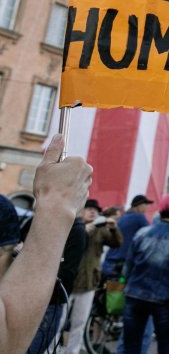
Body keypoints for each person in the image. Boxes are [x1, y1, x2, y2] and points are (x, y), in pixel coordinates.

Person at [0, 135, 92, 354]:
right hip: (47, 301)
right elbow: (7, 341)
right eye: (6, 252)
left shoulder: (80, 231)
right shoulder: (77, 229)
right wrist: (56, 205)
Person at [121, 193, 169, 354]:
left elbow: (127, 269)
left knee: (130, 347)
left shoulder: (142, 233)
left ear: (160, 210)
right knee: (167, 347)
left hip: (135, 295)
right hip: (165, 301)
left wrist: (125, 287)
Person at [21, 191, 89, 354]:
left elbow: (66, 272)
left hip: (45, 298)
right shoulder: (40, 221)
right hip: (34, 297)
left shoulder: (75, 230)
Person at [61, 198, 123, 354]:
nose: (93, 211)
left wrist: (114, 229)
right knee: (59, 321)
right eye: (89, 208)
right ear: (81, 210)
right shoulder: (74, 226)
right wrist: (88, 228)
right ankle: (50, 349)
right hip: (68, 282)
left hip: (89, 283)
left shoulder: (100, 229)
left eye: (95, 210)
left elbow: (117, 243)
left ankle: (72, 351)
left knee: (80, 322)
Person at [102, 194, 152, 277]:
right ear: (139, 206)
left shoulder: (123, 217)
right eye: (146, 205)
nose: (147, 208)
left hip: (109, 264)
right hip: (122, 265)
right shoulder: (139, 217)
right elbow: (151, 236)